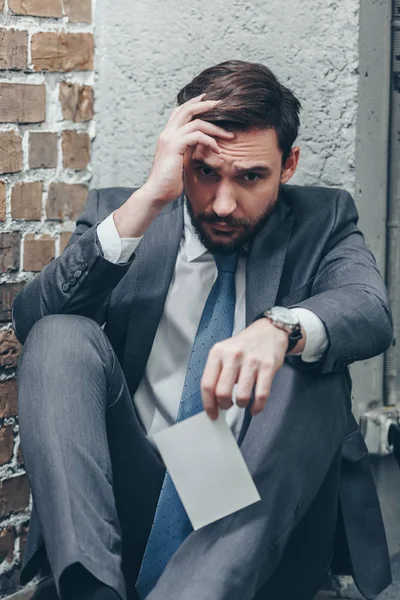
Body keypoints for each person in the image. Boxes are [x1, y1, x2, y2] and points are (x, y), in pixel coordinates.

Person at [12, 60, 393, 600]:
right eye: (205, 172)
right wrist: (149, 199)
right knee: (60, 335)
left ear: (288, 166)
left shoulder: (324, 219)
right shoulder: (126, 212)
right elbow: (32, 322)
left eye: (250, 177)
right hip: (137, 494)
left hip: (256, 511)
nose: (222, 203)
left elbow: (369, 310)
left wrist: (279, 328)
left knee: (305, 362)